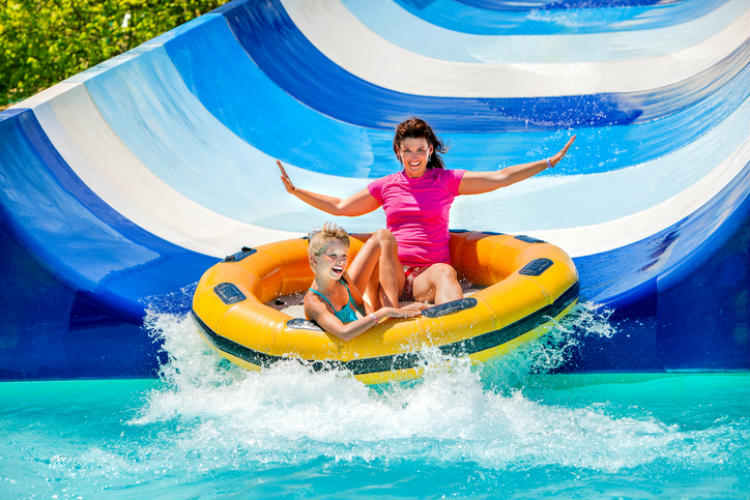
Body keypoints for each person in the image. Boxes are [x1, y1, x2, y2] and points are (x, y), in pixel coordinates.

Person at [279, 117, 575, 305]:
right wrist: (296, 192)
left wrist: (547, 163)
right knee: (383, 238)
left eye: (420, 150)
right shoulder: (386, 186)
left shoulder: (446, 181)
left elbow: (500, 178)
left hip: (426, 278)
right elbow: (341, 208)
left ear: (430, 150)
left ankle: (456, 335)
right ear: (398, 152)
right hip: (392, 274)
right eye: (407, 151)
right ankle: (372, 314)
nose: (414, 157)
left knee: (446, 272)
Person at [304, 222, 426, 341]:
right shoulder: (314, 302)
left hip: (359, 335)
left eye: (343, 256)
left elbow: (360, 304)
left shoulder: (342, 277)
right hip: (344, 352)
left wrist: (383, 323)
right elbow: (344, 333)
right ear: (314, 260)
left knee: (380, 240)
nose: (341, 262)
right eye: (333, 256)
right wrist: (384, 312)